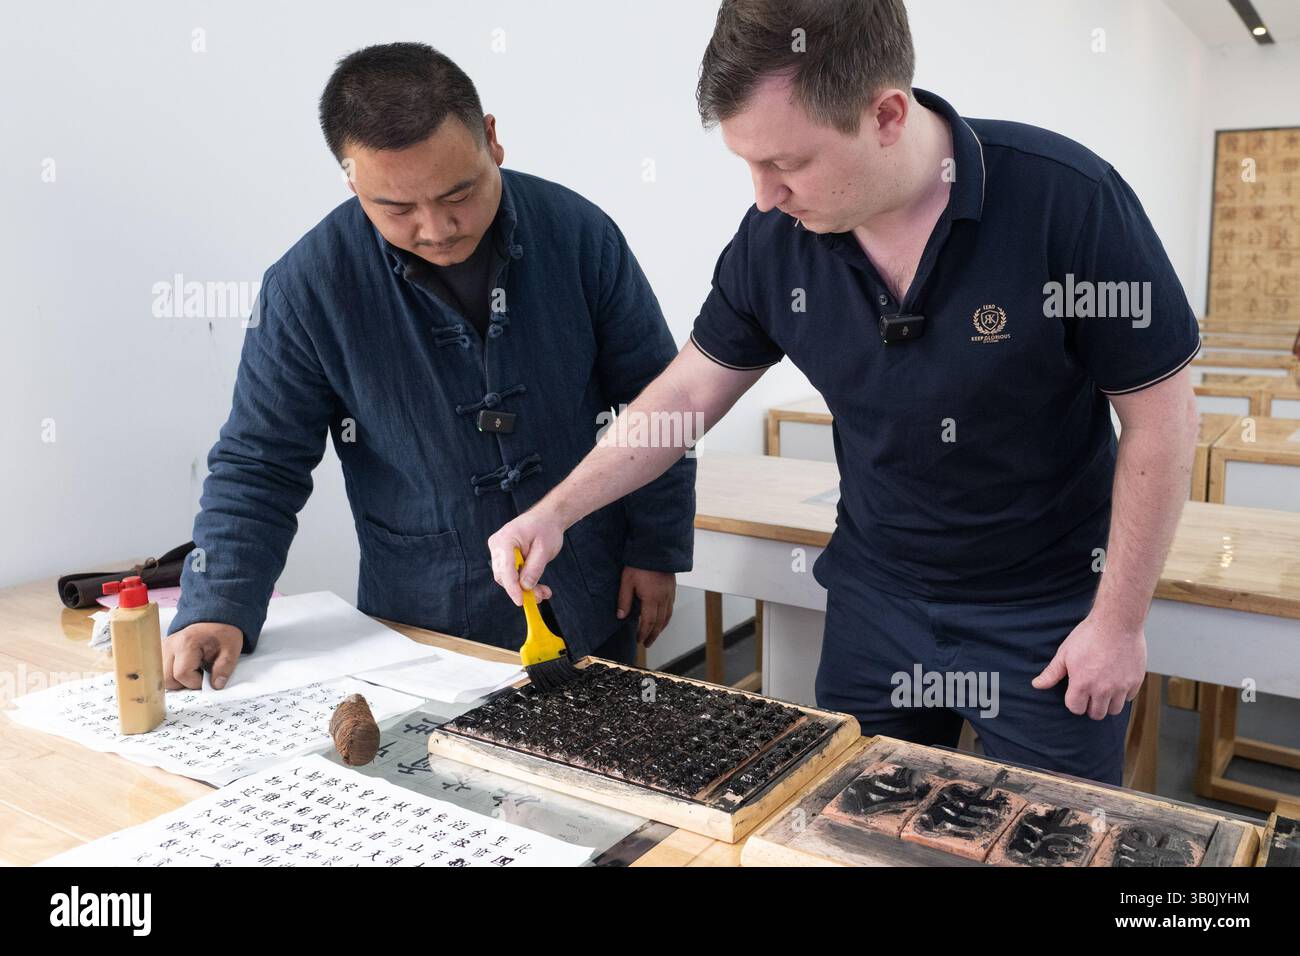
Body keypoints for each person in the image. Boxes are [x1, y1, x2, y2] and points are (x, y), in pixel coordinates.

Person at [487, 0, 1201, 785]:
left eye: (787, 164)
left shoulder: (1067, 201)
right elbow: (687, 392)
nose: (764, 195)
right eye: (748, 165)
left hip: (1047, 609)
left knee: (1060, 832)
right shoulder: (775, 240)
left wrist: (1119, 622)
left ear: (887, 114)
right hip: (877, 597)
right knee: (854, 821)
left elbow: (1160, 418)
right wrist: (559, 509)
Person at [164, 42, 694, 691]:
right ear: (352, 180)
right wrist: (216, 605)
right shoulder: (310, 288)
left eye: (459, 194)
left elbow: (658, 403)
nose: (437, 228)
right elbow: (260, 463)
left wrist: (655, 546)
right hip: (429, 625)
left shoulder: (578, 235)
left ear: (492, 140)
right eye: (397, 209)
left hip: (595, 590)